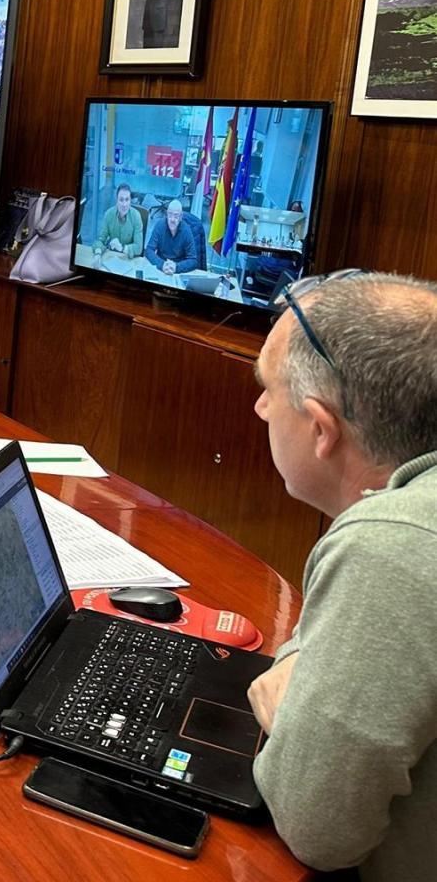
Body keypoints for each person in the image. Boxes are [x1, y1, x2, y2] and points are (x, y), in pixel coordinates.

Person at [246, 270, 437, 880]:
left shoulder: (392, 546)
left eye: (268, 390)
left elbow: (316, 826)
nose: (259, 407)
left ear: (322, 430)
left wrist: (293, 694)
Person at [145, 199, 205, 275]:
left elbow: (193, 260)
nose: (172, 219)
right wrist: (161, 264)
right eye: (170, 215)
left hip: (178, 269)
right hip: (161, 267)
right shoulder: (159, 225)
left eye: (176, 216)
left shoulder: (186, 231)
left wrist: (176, 267)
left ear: (181, 217)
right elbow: (149, 250)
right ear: (166, 214)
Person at [97, 183, 144, 258]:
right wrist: (98, 253)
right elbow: (101, 239)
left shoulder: (136, 216)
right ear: (117, 200)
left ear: (130, 201)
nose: (124, 204)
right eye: (121, 200)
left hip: (128, 257)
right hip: (112, 255)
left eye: (127, 199)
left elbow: (139, 248)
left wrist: (122, 248)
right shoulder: (108, 214)